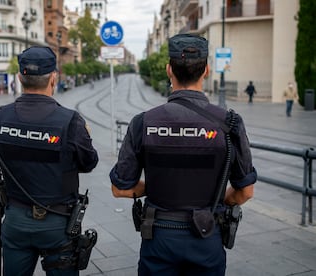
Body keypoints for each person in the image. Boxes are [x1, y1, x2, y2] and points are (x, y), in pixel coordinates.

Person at [109, 34, 257, 276]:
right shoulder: (229, 123)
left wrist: (152, 188)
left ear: (169, 70)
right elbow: (245, 192)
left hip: (158, 237)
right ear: (207, 70)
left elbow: (120, 189)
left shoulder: (143, 123)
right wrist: (219, 199)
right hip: (207, 236)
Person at [0, 46, 99, 276]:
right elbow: (89, 163)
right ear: (54, 78)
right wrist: (84, 136)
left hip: (15, 219)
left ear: (20, 77)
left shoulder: (0, 117)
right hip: (57, 224)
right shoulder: (71, 120)